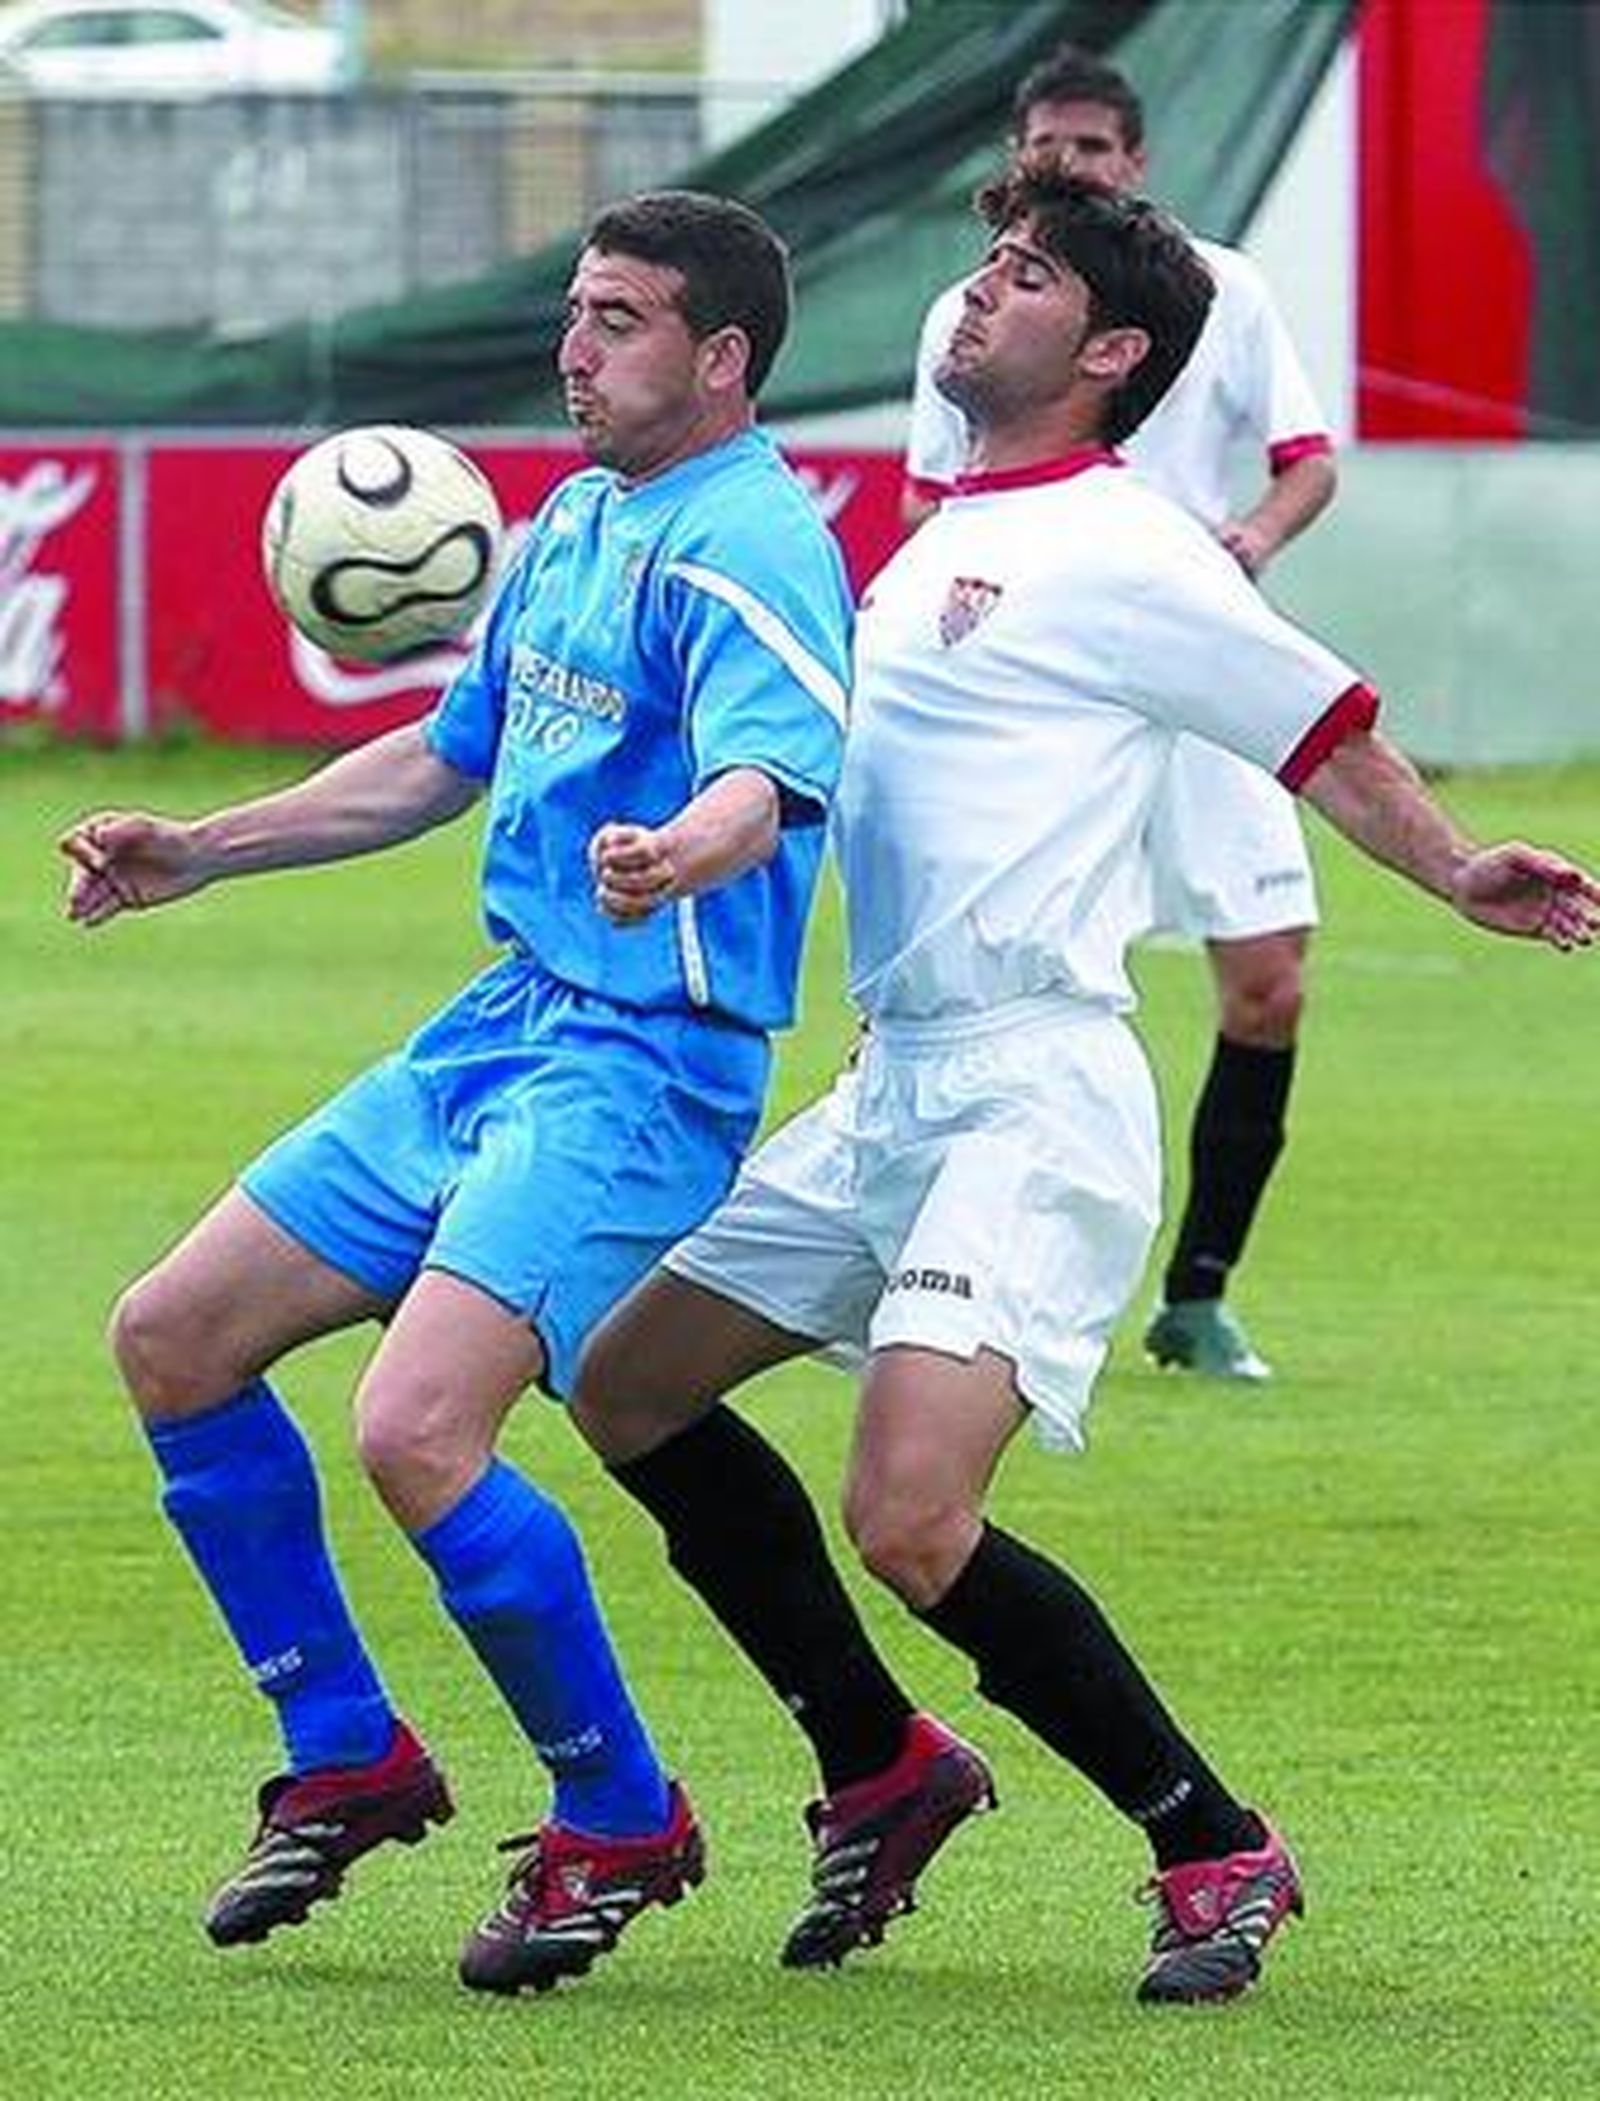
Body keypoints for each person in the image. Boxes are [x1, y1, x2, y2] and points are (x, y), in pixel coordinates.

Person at [572, 164, 1600, 2009]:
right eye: (985, 263)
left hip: (1034, 1097)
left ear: (1113, 351)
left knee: (909, 1516)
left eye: (1027, 278)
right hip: (891, 1087)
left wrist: (1453, 868)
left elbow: (1323, 722)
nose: (979, 296)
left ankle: (1213, 1840)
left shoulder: (1133, 550)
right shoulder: (947, 531)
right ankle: (882, 1765)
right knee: (628, 1384)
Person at [59, 189, 852, 1997]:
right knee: (173, 1335)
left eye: (621, 319)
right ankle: (347, 1750)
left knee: (417, 1428)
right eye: (576, 311)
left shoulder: (751, 546)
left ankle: (622, 1816)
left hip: (645, 1061)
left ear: (722, 359)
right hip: (500, 1030)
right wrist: (205, 846)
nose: (576, 348)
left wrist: (685, 851)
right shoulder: (578, 516)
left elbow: (774, 774)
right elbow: (443, 754)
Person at [904, 46, 1339, 1382]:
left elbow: (1305, 463)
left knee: (1267, 982)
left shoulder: (1225, 292)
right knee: (998, 972)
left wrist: (1251, 540)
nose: (1068, 168)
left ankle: (1200, 1291)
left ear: (1134, 164)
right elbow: (935, 500)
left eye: (1091, 150)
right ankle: (926, 1264)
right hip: (1048, 693)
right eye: (1048, 148)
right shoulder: (961, 318)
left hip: (1194, 668)